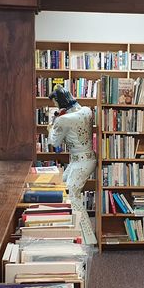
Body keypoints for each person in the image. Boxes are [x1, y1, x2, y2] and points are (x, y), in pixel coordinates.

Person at [48, 86, 97, 244]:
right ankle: (73, 231)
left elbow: (54, 142)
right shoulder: (87, 110)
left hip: (79, 162)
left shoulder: (62, 119)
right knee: (64, 186)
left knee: (71, 194)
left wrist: (52, 125)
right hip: (88, 159)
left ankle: (87, 237)